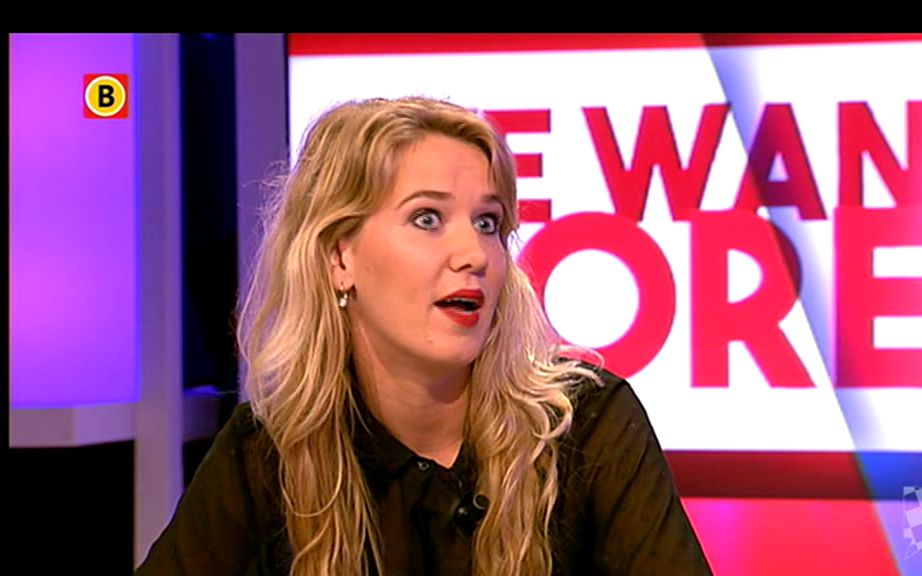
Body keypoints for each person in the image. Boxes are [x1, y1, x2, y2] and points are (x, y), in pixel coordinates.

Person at [136, 96, 712, 576]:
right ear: (340, 257)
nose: (474, 254)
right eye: (427, 218)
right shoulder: (268, 454)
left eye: (487, 223)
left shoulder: (585, 424)